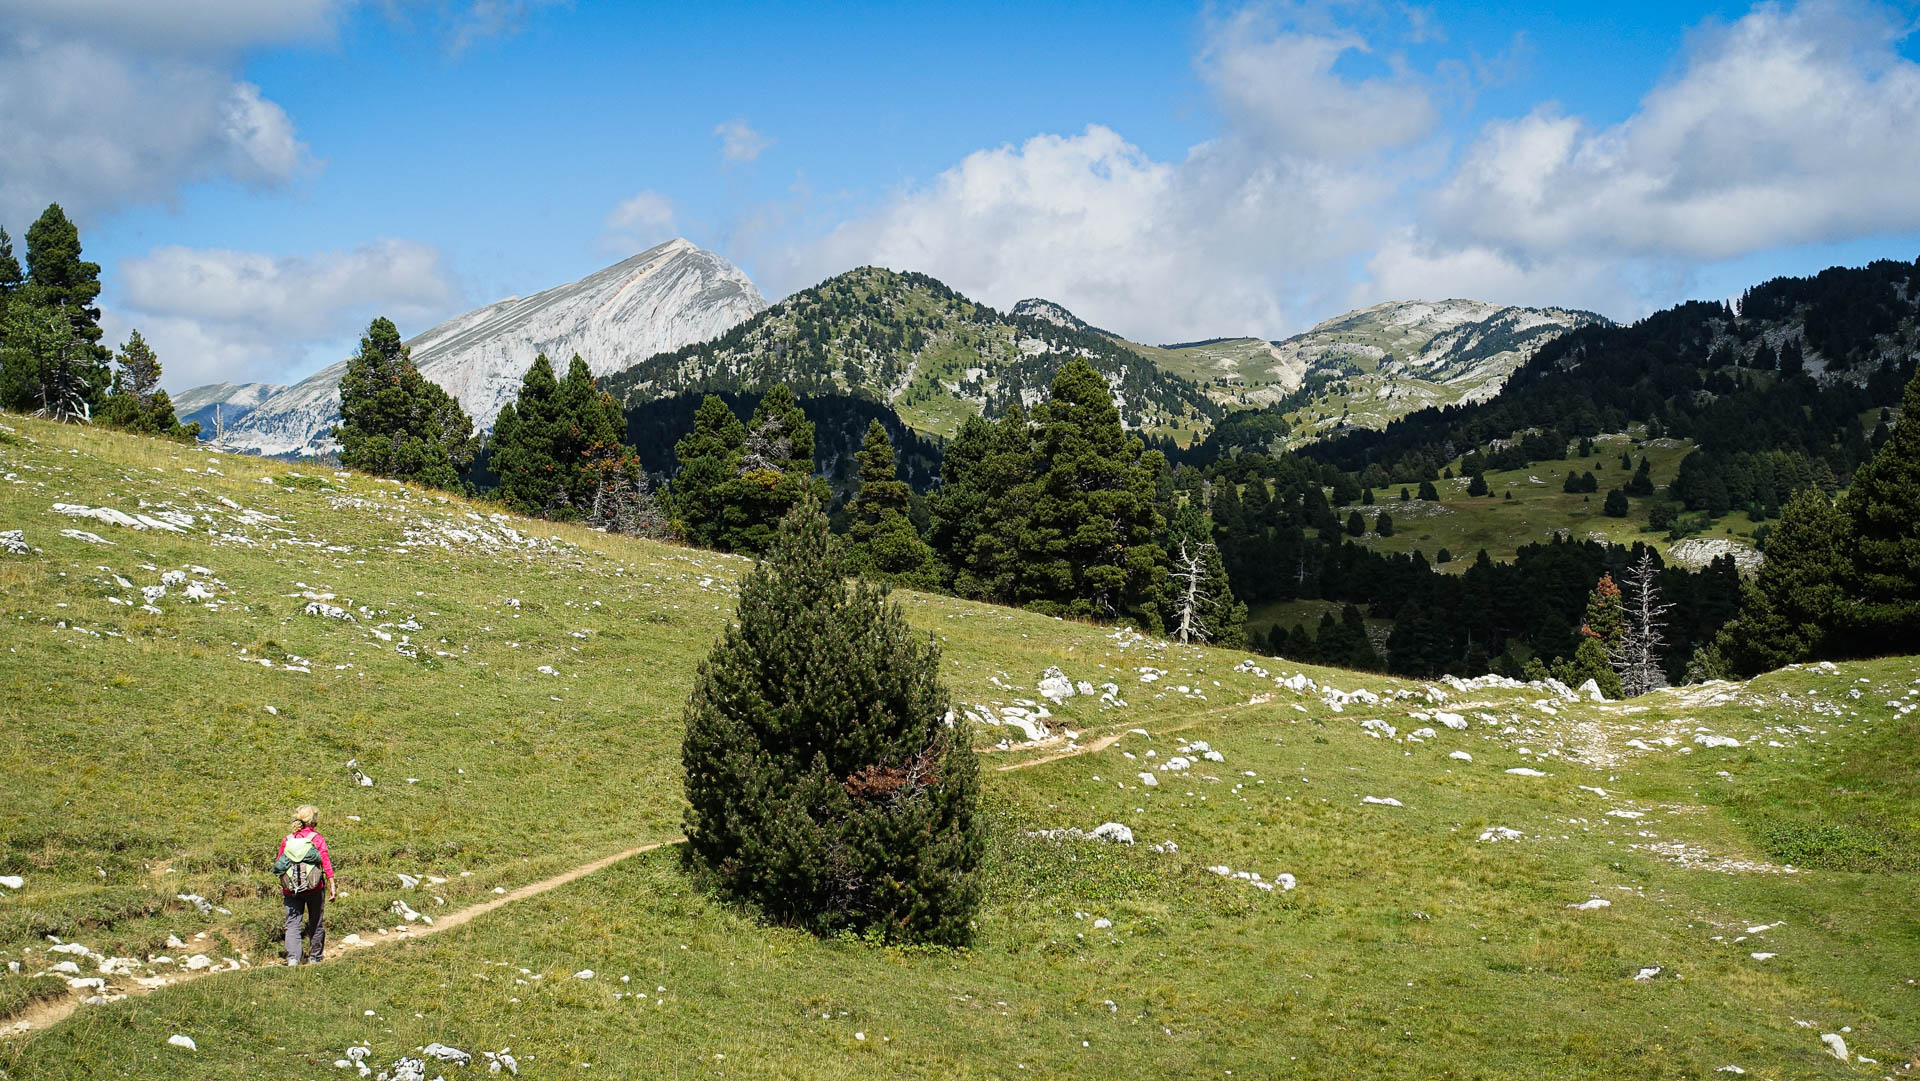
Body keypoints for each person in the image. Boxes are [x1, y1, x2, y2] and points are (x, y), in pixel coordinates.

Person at [273, 804, 336, 965]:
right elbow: (325, 862)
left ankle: (293, 958)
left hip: (291, 890)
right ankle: (315, 957)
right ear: (313, 820)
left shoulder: (288, 839)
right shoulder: (317, 839)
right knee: (315, 922)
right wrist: (332, 884)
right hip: (314, 887)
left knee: (292, 924)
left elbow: (279, 862)